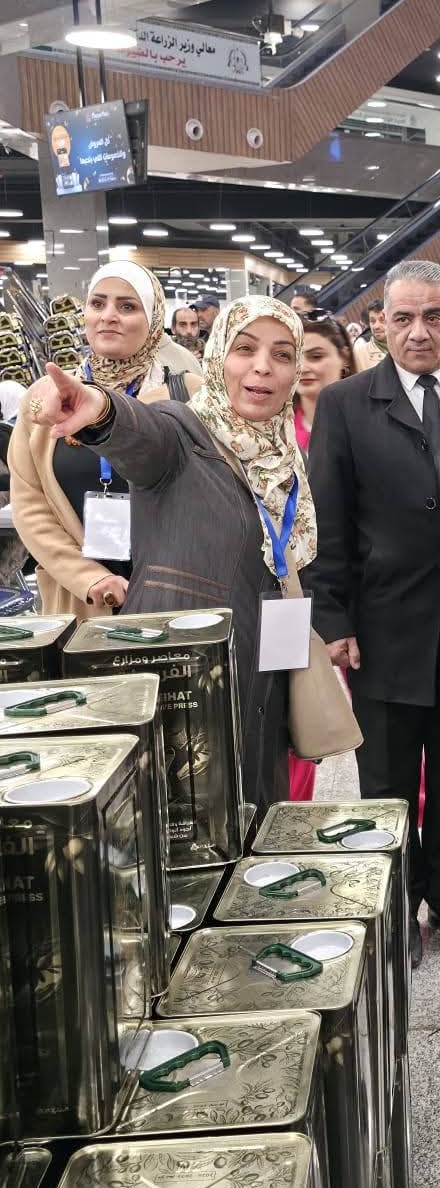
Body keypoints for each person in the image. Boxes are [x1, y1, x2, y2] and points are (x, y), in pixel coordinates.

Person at [23, 296, 314, 813]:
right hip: (186, 685)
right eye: (245, 349)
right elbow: (141, 434)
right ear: (217, 356)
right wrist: (100, 409)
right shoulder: (183, 433)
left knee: (255, 813)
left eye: (282, 354)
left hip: (261, 676)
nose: (263, 367)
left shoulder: (285, 458)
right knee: (185, 823)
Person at [304, 260, 440, 969]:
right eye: (404, 318)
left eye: (433, 317)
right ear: (381, 324)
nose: (419, 331)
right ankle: (396, 905)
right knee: (386, 781)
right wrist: (333, 617)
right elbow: (328, 519)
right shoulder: (347, 403)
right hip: (382, 627)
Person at [10, 263, 200, 618]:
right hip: (80, 602)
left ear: (153, 319)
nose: (108, 316)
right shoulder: (45, 399)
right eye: (97, 304)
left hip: (173, 596)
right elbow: (30, 506)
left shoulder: (189, 394)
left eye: (127, 306)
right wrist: (89, 578)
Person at [287, 310, 356, 802]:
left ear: (343, 360)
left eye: (316, 356)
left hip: (348, 590)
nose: (305, 368)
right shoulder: (271, 430)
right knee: (296, 713)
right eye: (297, 357)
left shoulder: (362, 423)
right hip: (288, 591)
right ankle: (294, 809)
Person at [293, 312, 355, 452]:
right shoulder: (275, 431)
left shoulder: (374, 422)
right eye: (293, 358)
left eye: (316, 356)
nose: (302, 368)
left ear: (344, 357)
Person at [353, 299, 388, 371]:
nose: (376, 326)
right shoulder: (360, 355)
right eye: (373, 321)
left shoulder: (407, 344)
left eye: (382, 320)